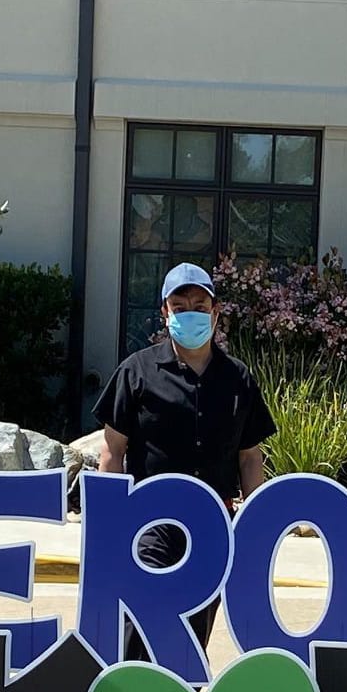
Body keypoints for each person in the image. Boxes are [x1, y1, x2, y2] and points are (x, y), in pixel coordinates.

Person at [94, 262, 275, 668]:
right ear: (165, 313)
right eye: (180, 305)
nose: (189, 311)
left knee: (193, 640)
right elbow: (113, 451)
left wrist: (257, 522)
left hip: (213, 528)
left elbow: (249, 458)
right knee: (139, 631)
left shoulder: (238, 379)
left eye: (199, 303)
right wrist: (111, 523)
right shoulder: (136, 372)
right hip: (150, 527)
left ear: (215, 311)